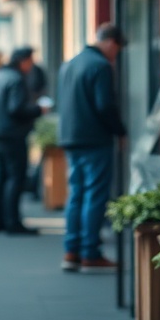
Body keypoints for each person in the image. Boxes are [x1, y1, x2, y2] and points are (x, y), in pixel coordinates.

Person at [57, 23, 128, 273]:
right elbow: (105, 106)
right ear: (111, 43)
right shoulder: (100, 66)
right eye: (117, 50)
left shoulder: (71, 63)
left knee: (76, 194)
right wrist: (120, 131)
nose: (115, 56)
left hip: (70, 137)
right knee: (95, 194)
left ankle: (71, 250)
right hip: (95, 138)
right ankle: (90, 252)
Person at [0, 46, 51, 235]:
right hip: (13, 134)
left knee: (2, 177)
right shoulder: (17, 79)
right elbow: (16, 108)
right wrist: (38, 110)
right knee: (15, 177)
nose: (32, 66)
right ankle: (13, 222)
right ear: (24, 61)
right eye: (31, 61)